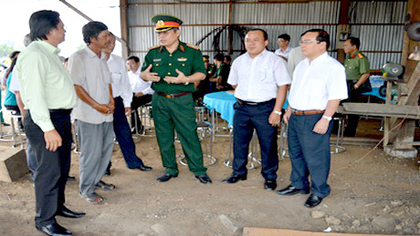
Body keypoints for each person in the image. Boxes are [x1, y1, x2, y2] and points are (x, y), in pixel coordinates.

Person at [16, 10, 84, 236]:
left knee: (62, 167)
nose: (65, 30)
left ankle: (57, 207)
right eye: (61, 26)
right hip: (45, 119)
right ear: (49, 30)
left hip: (59, 117)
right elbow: (34, 96)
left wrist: (65, 120)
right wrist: (48, 128)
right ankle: (44, 220)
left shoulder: (51, 54)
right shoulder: (34, 54)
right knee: (49, 171)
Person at [278, 29, 348, 208]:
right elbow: (295, 89)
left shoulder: (334, 67)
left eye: (307, 41)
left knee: (316, 157)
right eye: (301, 41)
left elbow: (335, 96)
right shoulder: (302, 65)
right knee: (296, 153)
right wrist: (289, 109)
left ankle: (319, 191)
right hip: (295, 116)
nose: (302, 45)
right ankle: (299, 184)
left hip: (315, 117)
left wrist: (326, 119)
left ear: (322, 44)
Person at [140, 14, 212, 184]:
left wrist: (184, 79)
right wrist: (144, 75)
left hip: (182, 99)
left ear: (177, 32)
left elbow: (201, 74)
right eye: (159, 33)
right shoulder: (152, 53)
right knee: (163, 136)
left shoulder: (192, 51)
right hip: (160, 100)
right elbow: (143, 74)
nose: (161, 37)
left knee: (189, 135)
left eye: (165, 33)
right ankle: (170, 169)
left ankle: (198, 170)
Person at [222, 29, 290, 190]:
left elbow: (283, 86)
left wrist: (277, 111)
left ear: (265, 42)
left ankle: (270, 177)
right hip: (242, 108)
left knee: (268, 144)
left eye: (255, 40)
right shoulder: (239, 61)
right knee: (239, 141)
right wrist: (247, 93)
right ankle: (238, 172)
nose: (250, 43)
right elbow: (233, 83)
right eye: (247, 40)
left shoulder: (275, 61)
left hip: (265, 109)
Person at [69, 21, 115, 205]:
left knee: (105, 150)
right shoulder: (78, 57)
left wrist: (111, 101)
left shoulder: (102, 57)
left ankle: (96, 180)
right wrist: (97, 106)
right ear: (92, 38)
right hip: (88, 115)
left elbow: (108, 82)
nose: (109, 38)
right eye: (105, 35)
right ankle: (86, 189)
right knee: (90, 153)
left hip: (106, 112)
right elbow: (76, 86)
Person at [102, 33, 152, 173]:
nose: (111, 46)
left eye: (113, 43)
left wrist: (127, 103)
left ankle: (133, 162)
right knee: (103, 136)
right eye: (107, 42)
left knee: (124, 133)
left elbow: (124, 85)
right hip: (99, 104)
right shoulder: (91, 61)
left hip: (117, 102)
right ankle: (104, 166)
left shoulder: (118, 61)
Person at [342, 37, 370, 137]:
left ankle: (350, 132)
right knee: (340, 107)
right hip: (345, 85)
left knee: (352, 110)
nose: (344, 47)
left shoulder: (361, 58)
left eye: (346, 45)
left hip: (353, 86)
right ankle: (337, 130)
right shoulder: (348, 57)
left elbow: (365, 74)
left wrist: (356, 86)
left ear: (354, 46)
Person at [126, 55, 154, 134]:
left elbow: (153, 87)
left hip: (147, 95)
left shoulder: (145, 72)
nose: (130, 66)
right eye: (128, 64)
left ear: (138, 63)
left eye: (132, 64)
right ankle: (136, 126)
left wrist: (143, 92)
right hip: (133, 95)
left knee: (131, 104)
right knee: (126, 102)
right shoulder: (128, 75)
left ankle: (136, 127)